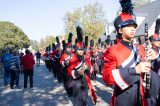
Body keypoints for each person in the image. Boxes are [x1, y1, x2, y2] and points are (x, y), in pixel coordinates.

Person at [102, 1, 159, 106]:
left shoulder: (141, 48)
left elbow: (152, 65)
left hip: (141, 96)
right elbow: (107, 77)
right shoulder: (112, 50)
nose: (133, 28)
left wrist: (156, 55)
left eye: (134, 26)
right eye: (128, 26)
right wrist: (135, 70)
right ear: (120, 30)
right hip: (123, 98)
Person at [67, 26, 97, 106]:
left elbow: (92, 69)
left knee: (84, 100)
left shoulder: (86, 58)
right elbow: (70, 71)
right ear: (76, 50)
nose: (81, 51)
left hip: (85, 81)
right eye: (79, 50)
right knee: (78, 101)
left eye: (82, 50)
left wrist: (88, 68)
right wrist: (77, 73)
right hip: (76, 82)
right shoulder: (73, 59)